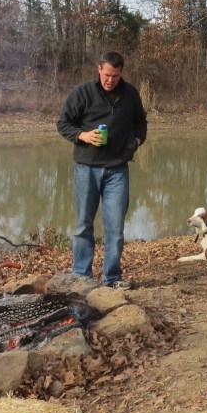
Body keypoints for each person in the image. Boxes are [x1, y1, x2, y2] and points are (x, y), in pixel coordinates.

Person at [56, 50, 148, 289]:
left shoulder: (130, 94)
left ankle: (112, 278)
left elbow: (141, 121)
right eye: (107, 74)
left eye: (115, 76)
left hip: (117, 170)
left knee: (115, 227)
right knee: (83, 225)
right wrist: (82, 135)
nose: (110, 80)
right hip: (87, 168)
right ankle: (82, 277)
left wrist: (136, 142)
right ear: (99, 69)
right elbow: (63, 123)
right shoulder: (83, 93)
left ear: (121, 73)